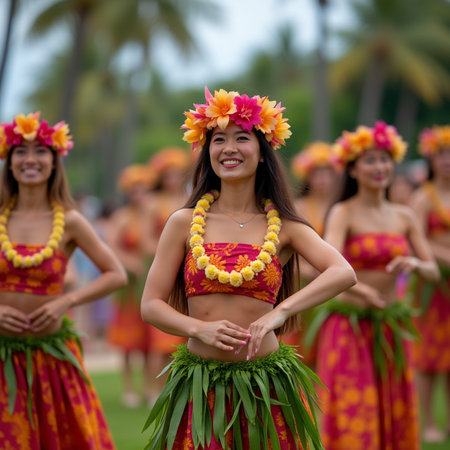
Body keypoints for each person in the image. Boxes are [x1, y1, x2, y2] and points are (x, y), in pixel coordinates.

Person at [140, 87, 356, 449]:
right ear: (206, 151)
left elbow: (342, 272)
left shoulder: (284, 225)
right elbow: (151, 305)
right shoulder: (183, 222)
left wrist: (279, 313)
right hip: (200, 383)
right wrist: (200, 329)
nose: (229, 148)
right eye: (218, 139)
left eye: (242, 138)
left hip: (266, 385)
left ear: (261, 153)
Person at [0, 112, 127, 448]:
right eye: (21, 152)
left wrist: (66, 301)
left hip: (52, 359)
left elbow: (117, 274)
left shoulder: (70, 220)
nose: (30, 160)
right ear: (9, 161)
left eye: (41, 151)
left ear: (54, 162)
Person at [314, 122, 439, 450]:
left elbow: (432, 273)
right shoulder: (343, 212)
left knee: (391, 408)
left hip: (391, 328)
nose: (380, 167)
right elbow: (326, 264)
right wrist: (359, 290)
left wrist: (415, 263)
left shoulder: (404, 216)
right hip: (348, 327)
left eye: (385, 159)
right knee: (355, 411)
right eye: (370, 160)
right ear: (352, 169)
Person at [283, 142, 341, 364]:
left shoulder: (341, 206)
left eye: (328, 173)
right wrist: (306, 269)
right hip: (301, 280)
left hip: (333, 284)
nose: (323, 179)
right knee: (300, 345)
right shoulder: (297, 207)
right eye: (318, 173)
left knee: (327, 348)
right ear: (307, 176)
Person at [410, 125, 450, 443]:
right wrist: (443, 257)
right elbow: (415, 239)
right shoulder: (423, 197)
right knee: (428, 356)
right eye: (442, 154)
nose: (448, 160)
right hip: (430, 286)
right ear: (431, 159)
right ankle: (428, 424)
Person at [144, 148, 191, 404]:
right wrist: (170, 252)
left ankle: (174, 387)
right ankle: (153, 390)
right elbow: (145, 240)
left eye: (177, 174)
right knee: (160, 341)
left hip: (185, 274)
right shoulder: (153, 203)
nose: (173, 179)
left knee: (179, 340)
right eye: (169, 175)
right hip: (163, 269)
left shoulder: (190, 199)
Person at [107, 164, 155, 408]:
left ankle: (148, 387)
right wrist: (130, 263)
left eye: (144, 189)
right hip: (128, 286)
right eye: (136, 189)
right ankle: (128, 388)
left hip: (146, 282)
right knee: (128, 342)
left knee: (148, 340)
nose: (141, 194)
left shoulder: (150, 215)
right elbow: (111, 247)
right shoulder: (122, 217)